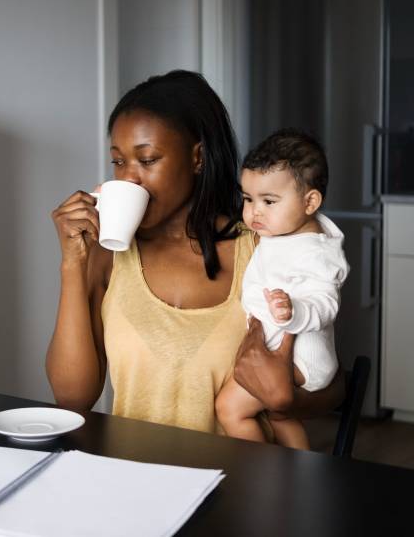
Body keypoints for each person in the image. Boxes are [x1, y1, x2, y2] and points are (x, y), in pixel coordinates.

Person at [46, 71, 344, 437]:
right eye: (119, 162)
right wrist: (72, 264)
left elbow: (331, 383)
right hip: (134, 479)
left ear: (198, 157)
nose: (129, 179)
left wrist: (285, 402)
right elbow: (72, 399)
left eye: (148, 159)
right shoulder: (109, 255)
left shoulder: (262, 247)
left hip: (240, 483)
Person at [214, 129, 349, 449]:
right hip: (288, 356)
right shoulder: (283, 233)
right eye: (248, 199)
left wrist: (295, 310)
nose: (254, 211)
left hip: (301, 359)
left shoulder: (314, 251)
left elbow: (326, 301)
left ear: (310, 202)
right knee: (281, 418)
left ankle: (262, 474)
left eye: (269, 201)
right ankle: (301, 478)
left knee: (229, 409)